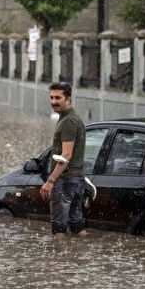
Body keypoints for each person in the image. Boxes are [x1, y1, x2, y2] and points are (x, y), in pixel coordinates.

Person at [39, 82, 87, 236]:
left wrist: (50, 181)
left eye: (58, 98)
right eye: (52, 97)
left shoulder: (68, 121)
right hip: (77, 179)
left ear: (68, 99)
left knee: (59, 230)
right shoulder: (71, 118)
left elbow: (66, 155)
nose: (54, 101)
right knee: (77, 226)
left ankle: (58, 258)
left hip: (65, 181)